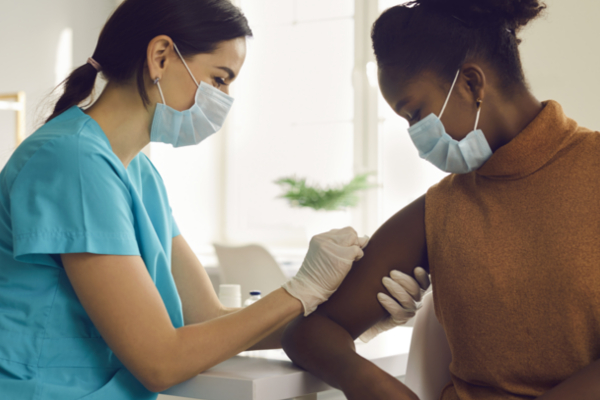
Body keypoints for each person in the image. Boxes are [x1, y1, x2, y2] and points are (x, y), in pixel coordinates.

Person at [0, 1, 428, 399]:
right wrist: (301, 290)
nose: (224, 100)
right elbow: (160, 361)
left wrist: (349, 318)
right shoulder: (73, 161)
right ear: (161, 56)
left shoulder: (138, 173)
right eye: (219, 78)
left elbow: (204, 316)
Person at [282, 1, 600, 399]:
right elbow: (311, 333)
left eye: (415, 114)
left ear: (471, 83)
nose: (415, 135)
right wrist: (369, 383)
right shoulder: (444, 208)